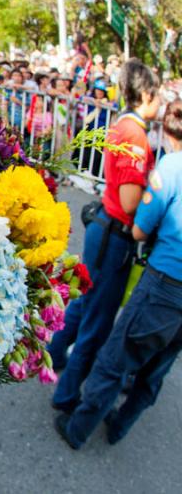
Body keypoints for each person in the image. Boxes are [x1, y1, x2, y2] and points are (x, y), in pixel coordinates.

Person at [55, 100, 182, 449]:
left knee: (115, 358)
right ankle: (119, 426)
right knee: (156, 368)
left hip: (166, 283)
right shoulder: (138, 138)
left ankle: (76, 428)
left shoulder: (171, 166)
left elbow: (140, 227)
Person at [48, 59, 161, 413]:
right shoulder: (136, 135)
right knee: (96, 323)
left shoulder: (122, 124)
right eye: (158, 95)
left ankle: (52, 359)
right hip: (115, 234)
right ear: (145, 94)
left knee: (83, 306)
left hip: (104, 229)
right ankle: (66, 396)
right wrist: (156, 195)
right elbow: (131, 200)